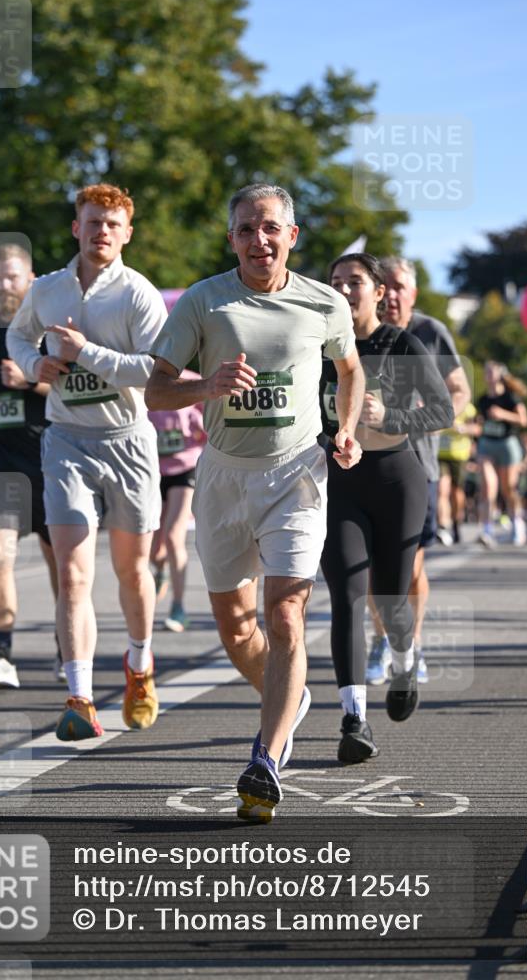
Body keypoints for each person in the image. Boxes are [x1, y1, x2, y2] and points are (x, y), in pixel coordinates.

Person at [146, 183, 364, 822]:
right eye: (245, 229)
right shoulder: (204, 301)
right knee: (237, 629)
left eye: (270, 228)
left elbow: (348, 370)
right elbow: (156, 390)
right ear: (232, 237)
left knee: (286, 612)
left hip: (295, 474)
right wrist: (203, 385)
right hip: (222, 478)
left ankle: (265, 759)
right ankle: (289, 695)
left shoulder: (324, 303)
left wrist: (345, 428)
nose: (258, 240)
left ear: (292, 236)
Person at [7, 184, 167, 739]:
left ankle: (140, 665)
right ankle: (78, 698)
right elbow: (17, 334)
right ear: (76, 227)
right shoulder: (47, 289)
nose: (101, 231)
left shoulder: (139, 295)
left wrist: (82, 354)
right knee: (73, 574)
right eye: (92, 221)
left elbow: (154, 371)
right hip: (67, 440)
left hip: (128, 440)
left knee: (130, 571)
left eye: (113, 224)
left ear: (127, 233)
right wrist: (34, 365)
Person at [319, 254, 454, 762]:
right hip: (341, 484)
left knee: (392, 597)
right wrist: (329, 434)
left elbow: (443, 411)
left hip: (398, 480)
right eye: (336, 283)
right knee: (348, 596)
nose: (345, 290)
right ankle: (354, 717)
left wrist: (390, 414)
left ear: (378, 292)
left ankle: (404, 658)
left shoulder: (403, 343)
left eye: (355, 282)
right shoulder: (322, 346)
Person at [366, 257, 471, 687]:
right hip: (369, 463)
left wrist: (437, 414)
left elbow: (460, 389)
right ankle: (380, 641)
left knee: (409, 567)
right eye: (384, 285)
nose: (391, 294)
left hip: (418, 464)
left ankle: (414, 643)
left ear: (413, 293)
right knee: (375, 565)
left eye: (399, 286)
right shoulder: (360, 331)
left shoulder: (429, 332)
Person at [0, 244, 59, 689]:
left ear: (31, 278)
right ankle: (1, 651)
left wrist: (31, 381)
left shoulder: (50, 325)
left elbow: (77, 388)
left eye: (12, 277)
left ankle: (68, 647)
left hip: (51, 458)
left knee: (61, 561)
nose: (4, 285)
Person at [147, 369, 206, 633]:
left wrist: (198, 427)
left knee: (173, 536)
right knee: (153, 549)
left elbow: (211, 424)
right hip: (152, 470)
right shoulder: (143, 377)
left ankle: (178, 608)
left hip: (185, 467)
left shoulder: (194, 381)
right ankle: (160, 570)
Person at [476, 361, 527, 547]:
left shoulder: (510, 398)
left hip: (507, 444)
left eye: (492, 371)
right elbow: (480, 424)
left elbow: (524, 421)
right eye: (486, 372)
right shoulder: (482, 400)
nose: (489, 375)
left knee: (509, 488)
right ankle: (487, 531)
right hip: (487, 444)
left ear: (499, 374)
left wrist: (503, 414)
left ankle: (517, 524)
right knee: (488, 487)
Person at [437, 401, 480, 545]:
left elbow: (478, 429)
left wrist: (462, 428)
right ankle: (443, 526)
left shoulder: (468, 407)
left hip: (459, 455)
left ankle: (456, 523)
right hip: (440, 454)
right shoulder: (437, 401)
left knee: (456, 492)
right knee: (442, 489)